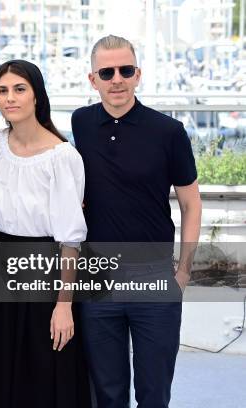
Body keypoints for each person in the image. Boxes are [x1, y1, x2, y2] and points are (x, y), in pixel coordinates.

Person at [72, 35, 202, 408]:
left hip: (155, 276)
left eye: (125, 70)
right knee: (107, 394)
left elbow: (191, 204)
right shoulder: (81, 122)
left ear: (138, 75)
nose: (117, 79)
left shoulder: (168, 132)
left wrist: (184, 271)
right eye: (107, 72)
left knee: (154, 392)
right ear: (92, 79)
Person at [0, 59, 91, 408]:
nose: (9, 98)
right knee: (1, 366)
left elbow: (70, 239)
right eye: (2, 91)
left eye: (19, 89)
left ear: (36, 96)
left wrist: (64, 305)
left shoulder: (62, 157)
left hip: (45, 271)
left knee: (44, 368)